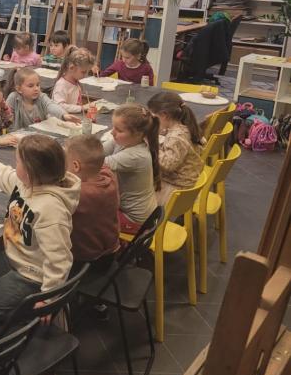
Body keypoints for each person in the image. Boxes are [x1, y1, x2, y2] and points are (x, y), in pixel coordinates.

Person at [0, 135, 80, 375]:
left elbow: (60, 260)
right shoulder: (28, 184)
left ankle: (38, 335)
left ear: (30, 170)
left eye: (17, 161)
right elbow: (3, 175)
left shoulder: (51, 209)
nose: (14, 165)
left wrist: (49, 298)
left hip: (34, 276)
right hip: (23, 265)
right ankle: (46, 314)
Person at [102, 104, 160, 235]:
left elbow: (95, 163)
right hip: (139, 213)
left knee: (89, 217)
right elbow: (98, 151)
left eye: (119, 130)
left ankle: (116, 246)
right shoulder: (124, 142)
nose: (112, 132)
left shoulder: (136, 155)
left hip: (136, 221)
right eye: (113, 127)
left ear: (138, 134)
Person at [64, 135, 120, 267]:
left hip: (87, 261)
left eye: (65, 163)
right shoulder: (109, 177)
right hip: (111, 250)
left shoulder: (78, 194)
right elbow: (100, 164)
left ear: (76, 166)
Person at [148, 91, 204, 206]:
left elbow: (167, 165)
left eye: (154, 117)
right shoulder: (184, 127)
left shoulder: (176, 136)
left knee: (135, 195)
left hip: (176, 190)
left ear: (164, 115)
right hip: (186, 182)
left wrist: (151, 145)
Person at [5, 67, 79, 130]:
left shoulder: (41, 97)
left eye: (37, 85)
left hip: (37, 136)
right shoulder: (13, 98)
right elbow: (7, 119)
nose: (36, 89)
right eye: (31, 86)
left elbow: (51, 105)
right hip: (17, 136)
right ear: (19, 89)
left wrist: (63, 115)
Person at [52, 47, 95, 114]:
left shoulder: (76, 83)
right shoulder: (61, 85)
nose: (85, 75)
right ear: (72, 68)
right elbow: (59, 106)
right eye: (83, 72)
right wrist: (82, 108)